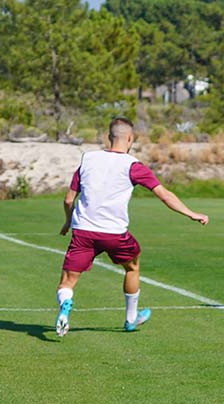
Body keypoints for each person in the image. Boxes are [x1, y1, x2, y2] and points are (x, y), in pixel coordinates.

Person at [55, 117, 208, 337]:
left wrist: (68, 221)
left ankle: (65, 306)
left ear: (108, 137)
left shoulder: (88, 160)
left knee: (67, 282)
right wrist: (191, 213)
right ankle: (130, 319)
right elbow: (164, 195)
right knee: (132, 267)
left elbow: (69, 199)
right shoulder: (133, 166)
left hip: (83, 232)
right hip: (114, 234)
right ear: (130, 138)